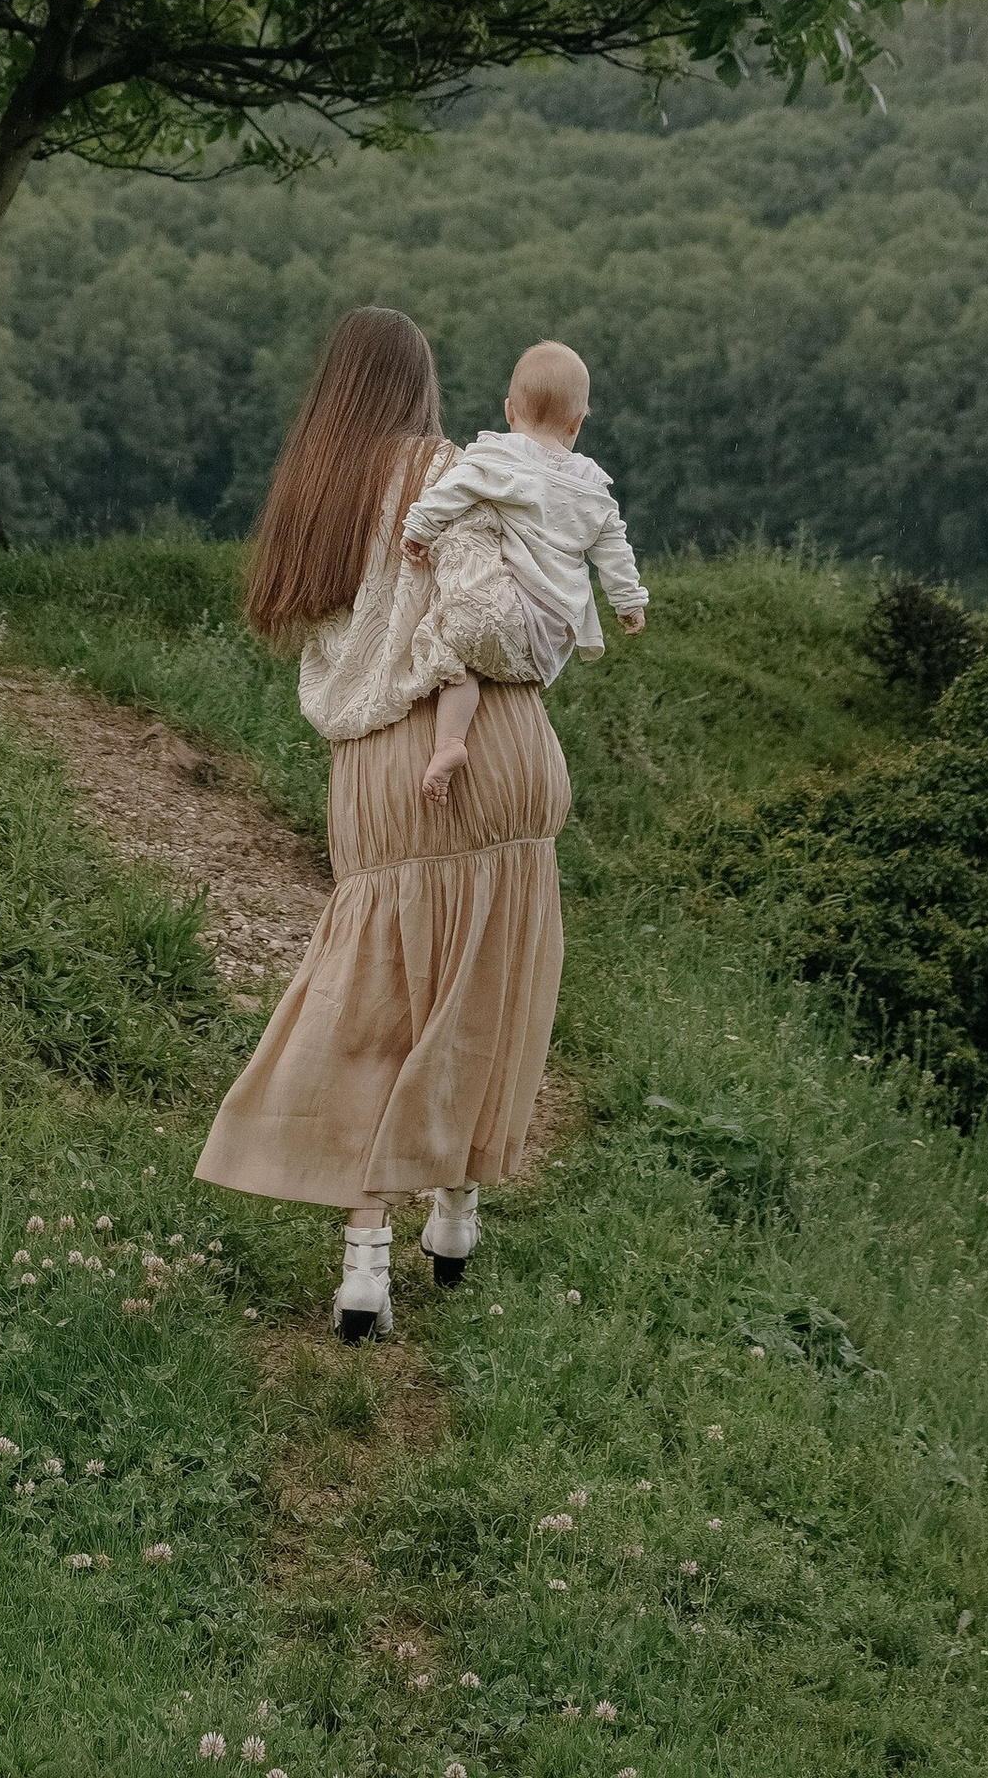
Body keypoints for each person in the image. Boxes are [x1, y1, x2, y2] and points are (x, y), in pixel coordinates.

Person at [193, 304, 585, 1342]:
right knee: (485, 981)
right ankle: (454, 1205)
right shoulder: (445, 473)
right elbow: (486, 621)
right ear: (419, 387)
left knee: (378, 998)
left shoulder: (307, 497)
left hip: (368, 776)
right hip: (479, 752)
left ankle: (365, 1261)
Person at [400, 341, 646, 790]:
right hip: (551, 638)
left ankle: (449, 740)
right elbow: (613, 545)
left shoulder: (501, 459)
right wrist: (628, 600)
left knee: (458, 654)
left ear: (510, 410)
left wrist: (418, 529)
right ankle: (460, 731)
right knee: (480, 656)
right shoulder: (591, 486)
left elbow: (454, 490)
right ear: (576, 423)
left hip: (505, 615)